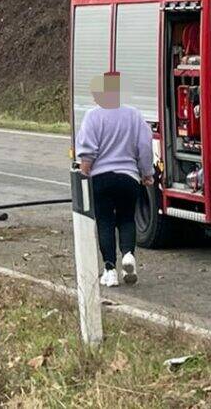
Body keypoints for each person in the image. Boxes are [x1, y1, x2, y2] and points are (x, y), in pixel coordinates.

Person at [75, 72, 154, 287]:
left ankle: (109, 270)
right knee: (127, 219)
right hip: (129, 177)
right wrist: (147, 173)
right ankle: (128, 255)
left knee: (105, 222)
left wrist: (83, 174)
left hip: (101, 179)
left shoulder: (93, 116)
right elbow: (145, 146)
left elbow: (87, 153)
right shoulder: (134, 115)